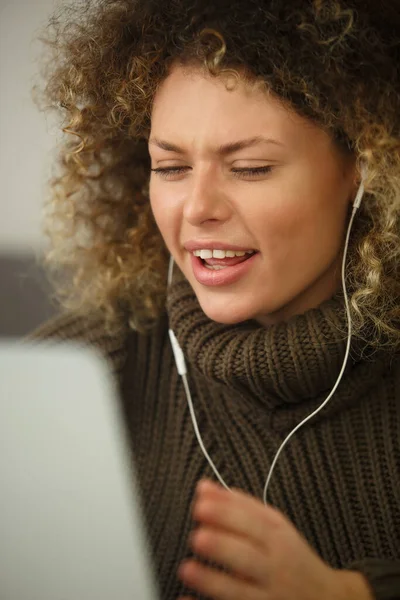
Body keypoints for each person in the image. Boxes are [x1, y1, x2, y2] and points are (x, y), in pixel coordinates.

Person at [30, 0, 400, 598]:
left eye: (250, 167)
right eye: (171, 167)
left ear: (364, 165)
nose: (197, 207)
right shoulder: (78, 373)